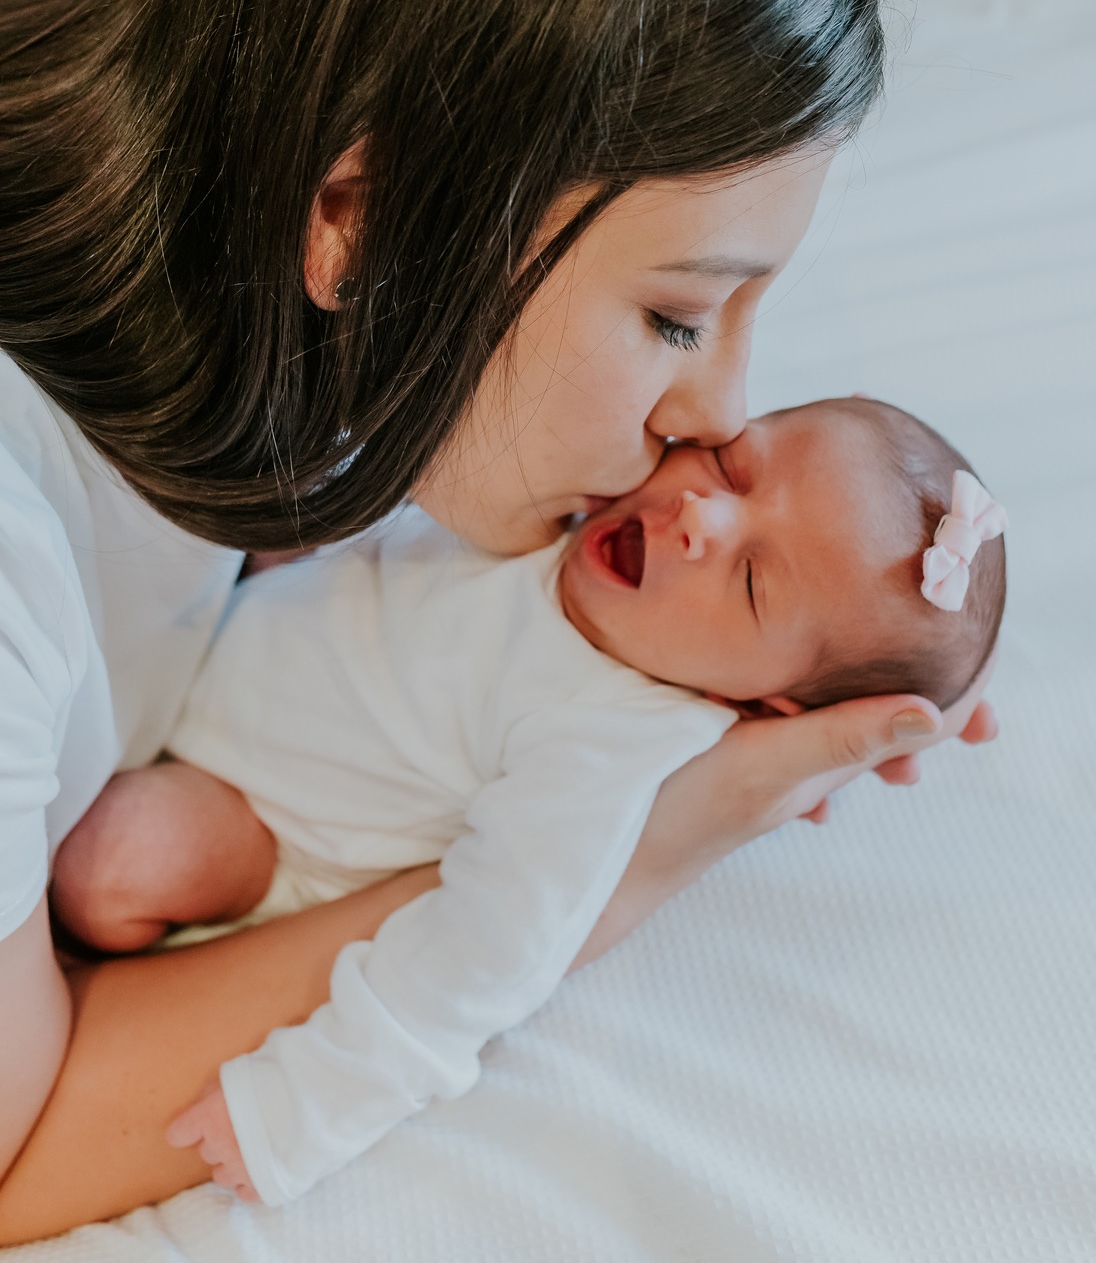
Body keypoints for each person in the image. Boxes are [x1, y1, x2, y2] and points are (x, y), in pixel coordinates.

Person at [0, 0, 997, 1243]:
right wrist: (608, 864)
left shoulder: (182, 176)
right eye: (678, 316)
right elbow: (10, 1151)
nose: (719, 421)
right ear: (361, 216)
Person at [51, 396, 1006, 1208]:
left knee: (111, 863)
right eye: (735, 460)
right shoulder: (589, 497)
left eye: (751, 580)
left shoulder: (615, 738)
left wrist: (306, 1104)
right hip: (246, 640)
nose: (702, 515)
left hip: (267, 818)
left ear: (765, 702)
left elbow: (489, 949)